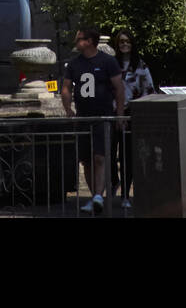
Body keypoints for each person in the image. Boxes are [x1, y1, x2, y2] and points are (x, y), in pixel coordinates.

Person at [61, 24, 124, 215]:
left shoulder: (108, 61)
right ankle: (94, 196)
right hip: (83, 116)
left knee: (100, 157)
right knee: (86, 160)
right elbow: (66, 87)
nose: (76, 42)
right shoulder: (73, 64)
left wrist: (119, 114)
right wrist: (68, 109)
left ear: (89, 42)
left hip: (102, 116)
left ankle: (99, 195)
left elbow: (119, 88)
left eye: (79, 38)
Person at [110, 28, 154, 208]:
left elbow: (148, 89)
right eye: (121, 41)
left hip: (132, 115)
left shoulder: (140, 65)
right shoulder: (111, 64)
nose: (124, 44)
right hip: (112, 114)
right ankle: (114, 181)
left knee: (127, 156)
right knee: (109, 154)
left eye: (127, 41)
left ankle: (125, 195)